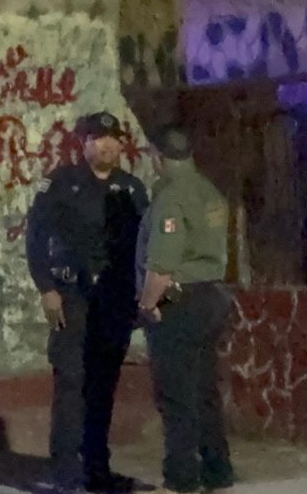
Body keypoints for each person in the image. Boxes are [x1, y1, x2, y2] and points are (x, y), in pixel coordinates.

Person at [25, 111, 148, 493]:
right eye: (97, 138)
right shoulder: (61, 183)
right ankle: (65, 471)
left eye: (112, 139)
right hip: (72, 298)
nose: (106, 145)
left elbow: (143, 247)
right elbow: (35, 237)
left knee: (103, 385)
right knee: (71, 382)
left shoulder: (131, 189)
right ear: (84, 143)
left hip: (112, 302)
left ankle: (97, 469)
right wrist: (46, 287)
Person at [136, 125, 235, 493]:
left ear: (158, 157)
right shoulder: (209, 192)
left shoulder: (171, 198)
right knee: (204, 390)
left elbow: (161, 265)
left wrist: (148, 305)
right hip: (211, 296)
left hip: (178, 301)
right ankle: (217, 470)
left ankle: (180, 479)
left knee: (176, 395)